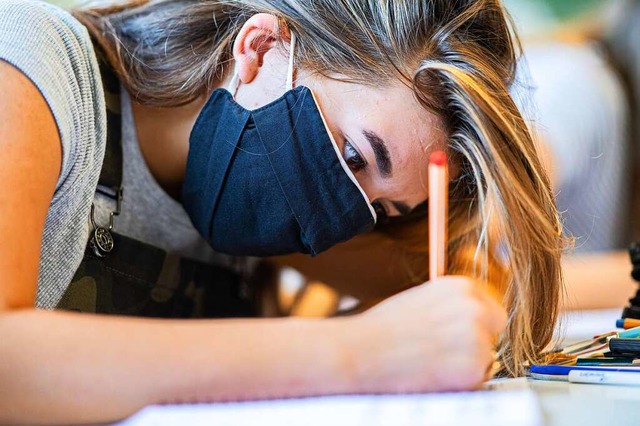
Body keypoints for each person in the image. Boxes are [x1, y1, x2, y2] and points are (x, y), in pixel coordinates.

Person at [0, 0, 563, 423]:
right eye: (351, 156)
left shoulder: (268, 205)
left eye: (385, 209)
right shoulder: (31, 58)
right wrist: (355, 354)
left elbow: (469, 285)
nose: (342, 217)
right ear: (263, 47)